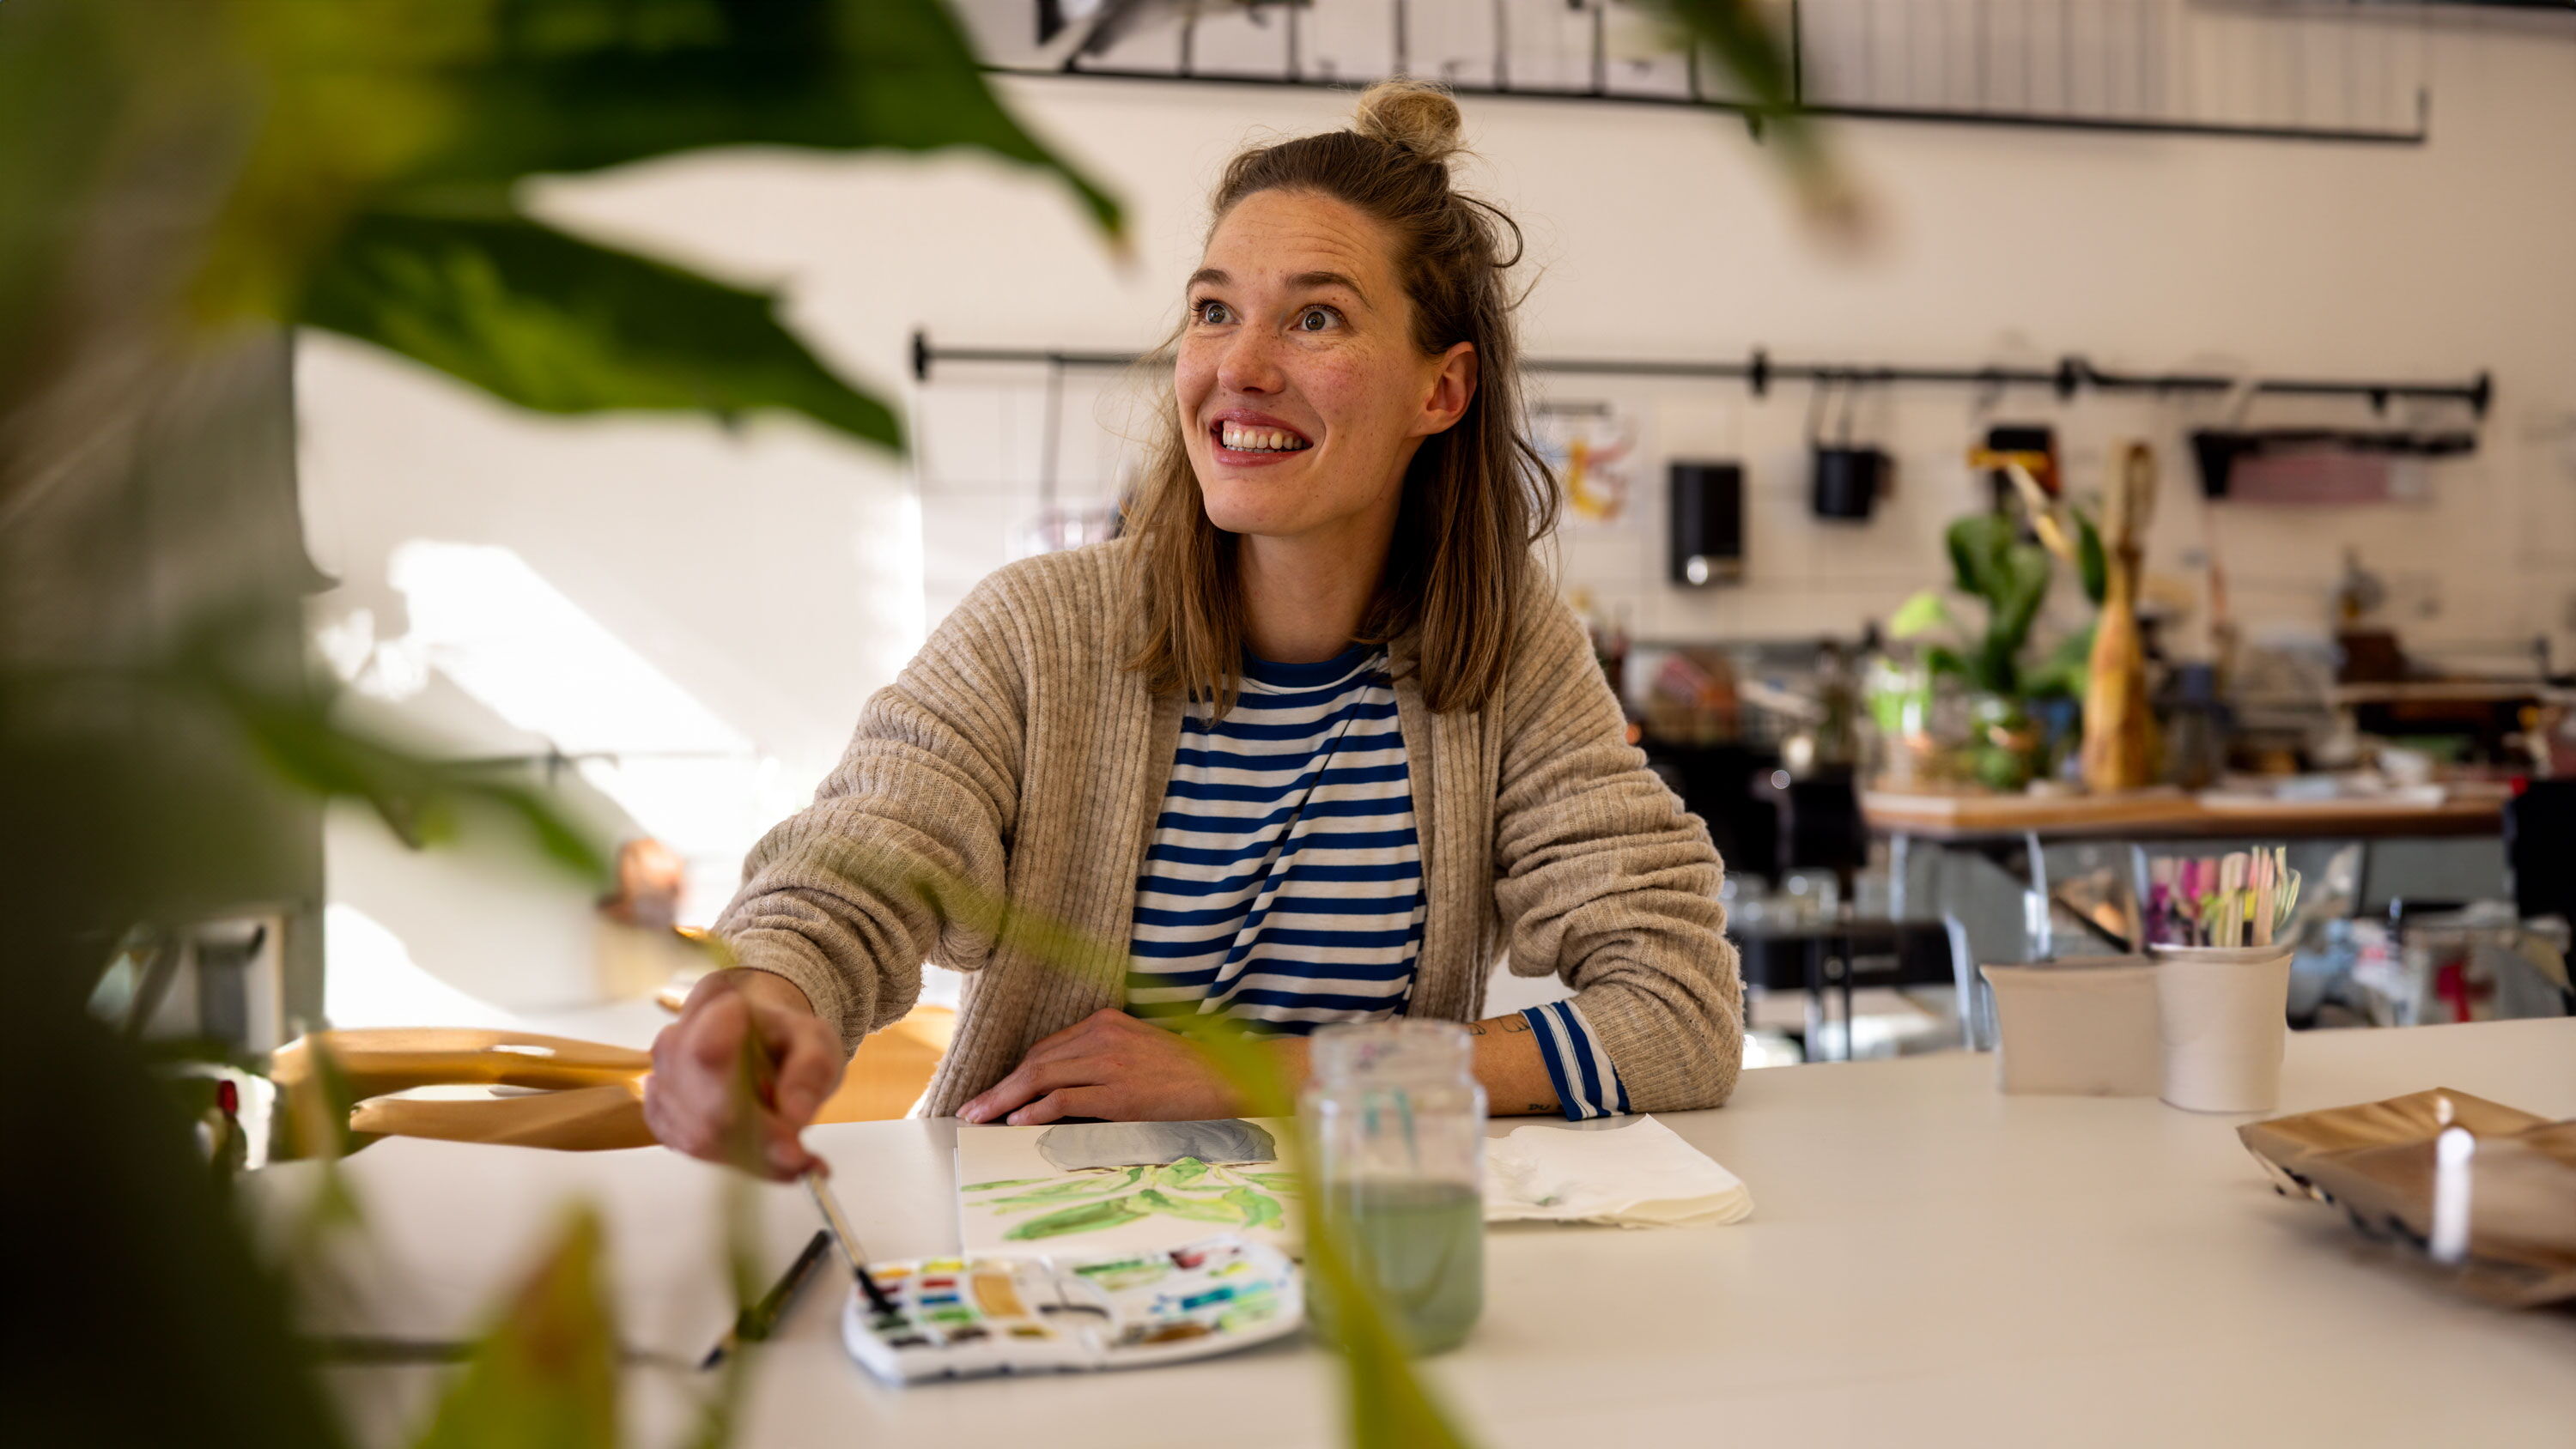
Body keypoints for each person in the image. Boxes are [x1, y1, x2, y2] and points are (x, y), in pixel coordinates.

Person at [646, 81, 1743, 1180]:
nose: (1238, 368)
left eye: (1315, 318)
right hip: (1048, 1243)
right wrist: (762, 996)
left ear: (1442, 391)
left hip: (1365, 1254)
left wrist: (1252, 1073)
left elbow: (1679, 1013)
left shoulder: (1508, 654)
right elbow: (857, 868)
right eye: (1214, 311)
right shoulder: (1038, 632)